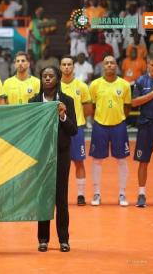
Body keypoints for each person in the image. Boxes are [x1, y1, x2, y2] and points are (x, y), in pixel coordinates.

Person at [29, 66, 77, 252]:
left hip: (61, 154)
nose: (47, 79)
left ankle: (63, 239)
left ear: (58, 79)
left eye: (51, 76)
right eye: (44, 76)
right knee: (43, 197)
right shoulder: (33, 102)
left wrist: (63, 115)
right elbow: (29, 130)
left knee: (61, 198)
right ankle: (43, 239)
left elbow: (73, 130)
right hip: (41, 156)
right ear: (41, 79)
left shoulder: (67, 101)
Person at [89, 55, 131, 206]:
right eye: (106, 63)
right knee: (97, 160)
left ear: (116, 66)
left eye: (112, 63)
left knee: (121, 160)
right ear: (102, 66)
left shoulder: (125, 85)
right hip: (100, 125)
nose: (109, 65)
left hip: (119, 125)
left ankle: (122, 194)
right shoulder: (94, 85)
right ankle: (96, 194)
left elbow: (127, 107)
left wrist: (118, 117)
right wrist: (101, 117)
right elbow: (92, 107)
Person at [60, 55, 92, 205]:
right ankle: (58, 195)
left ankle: (80, 195)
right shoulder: (55, 86)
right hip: (59, 130)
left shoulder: (82, 86)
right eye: (64, 64)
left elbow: (87, 108)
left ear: (74, 67)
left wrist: (77, 121)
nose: (66, 67)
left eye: (69, 65)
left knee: (79, 162)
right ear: (60, 67)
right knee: (57, 163)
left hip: (76, 129)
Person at [132, 54, 153, 207]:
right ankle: (141, 194)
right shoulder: (141, 81)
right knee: (143, 161)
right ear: (148, 65)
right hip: (145, 126)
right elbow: (134, 102)